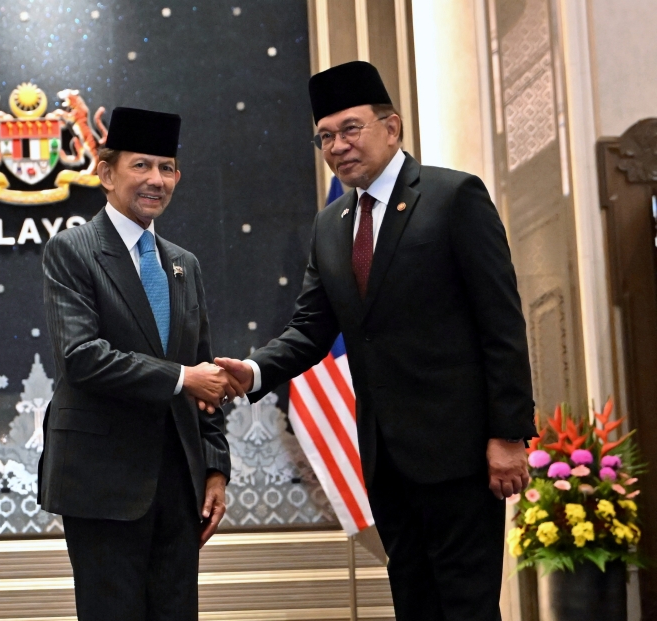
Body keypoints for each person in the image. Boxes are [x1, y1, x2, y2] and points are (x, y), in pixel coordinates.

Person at [214, 61, 536, 621]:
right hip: (385, 457)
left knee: (466, 603)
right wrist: (255, 370)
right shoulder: (330, 224)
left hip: (460, 453)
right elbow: (312, 326)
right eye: (325, 137)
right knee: (413, 598)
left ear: (393, 127)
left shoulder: (453, 196)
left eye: (350, 129)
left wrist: (508, 435)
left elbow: (501, 323)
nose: (337, 146)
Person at [38, 106, 239, 621]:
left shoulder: (183, 263)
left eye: (167, 167)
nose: (156, 180)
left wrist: (215, 468)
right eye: (141, 165)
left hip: (179, 483)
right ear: (106, 173)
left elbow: (207, 378)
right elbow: (82, 358)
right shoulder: (72, 251)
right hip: (103, 484)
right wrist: (182, 378)